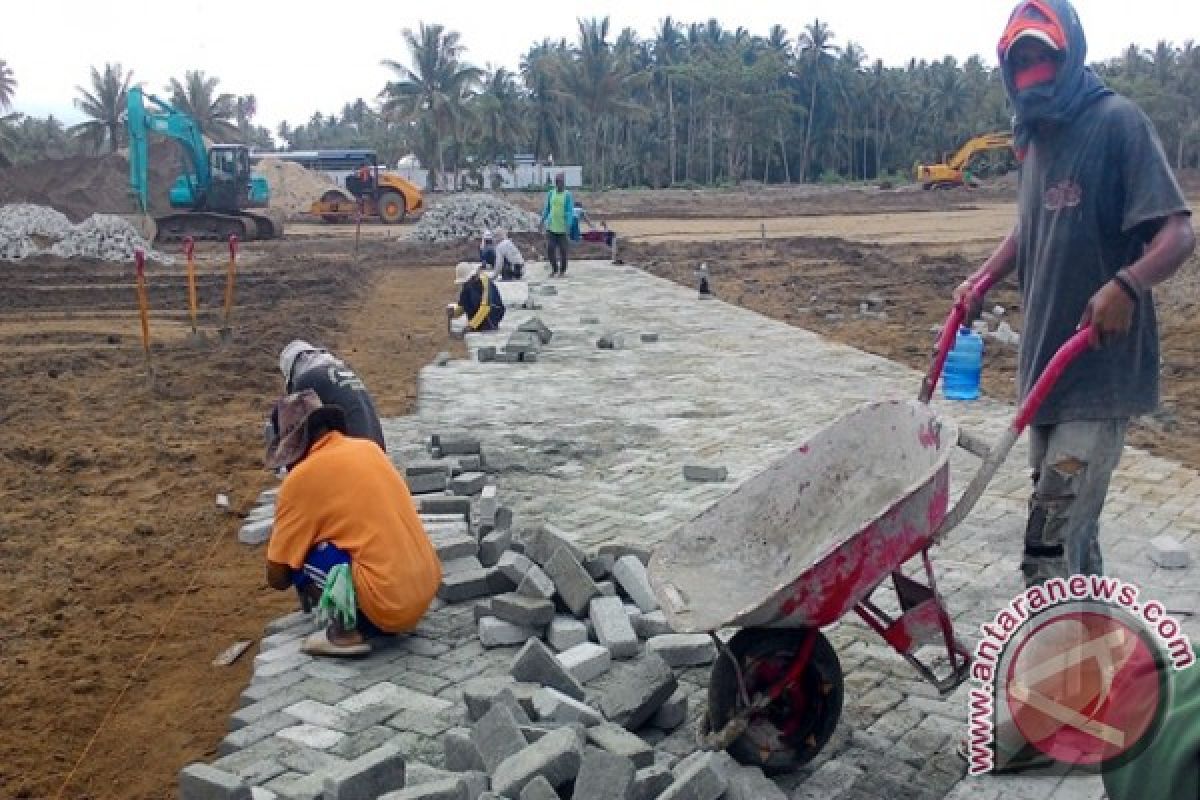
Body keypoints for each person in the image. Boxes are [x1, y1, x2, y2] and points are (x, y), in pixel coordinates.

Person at [955, 0, 1194, 590]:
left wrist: (1127, 284)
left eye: (1043, 56)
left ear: (1071, 54)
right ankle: (1094, 660)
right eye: (1021, 60)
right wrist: (982, 278)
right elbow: (1027, 226)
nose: (1033, 69)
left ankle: (1058, 674)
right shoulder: (1034, 139)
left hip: (1098, 371)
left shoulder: (1117, 122)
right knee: (1072, 538)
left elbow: (1177, 232)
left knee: (1049, 544)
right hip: (1045, 374)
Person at [264, 390, 442, 656]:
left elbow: (277, 575)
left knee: (302, 557)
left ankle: (344, 632)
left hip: (388, 607)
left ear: (294, 446)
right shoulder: (368, 448)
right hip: (424, 590)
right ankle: (373, 607)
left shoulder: (301, 479)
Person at [269, 340, 386, 453]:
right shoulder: (343, 372)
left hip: (351, 451)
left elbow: (296, 436)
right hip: (377, 451)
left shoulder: (307, 380)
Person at [449, 261, 505, 332]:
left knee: (484, 319)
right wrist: (454, 313)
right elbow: (463, 306)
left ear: (472, 276)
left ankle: (483, 325)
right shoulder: (467, 285)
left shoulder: (484, 283)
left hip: (493, 312)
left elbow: (486, 307)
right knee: (467, 295)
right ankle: (476, 324)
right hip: (480, 312)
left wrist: (472, 325)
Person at [540, 172, 574, 277]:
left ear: (563, 183)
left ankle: (562, 271)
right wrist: (542, 221)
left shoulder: (567, 195)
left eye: (560, 182)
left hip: (562, 228)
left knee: (563, 251)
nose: (558, 184)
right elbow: (547, 208)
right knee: (550, 248)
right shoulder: (551, 193)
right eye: (557, 182)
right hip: (551, 227)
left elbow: (569, 211)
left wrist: (568, 225)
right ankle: (554, 269)